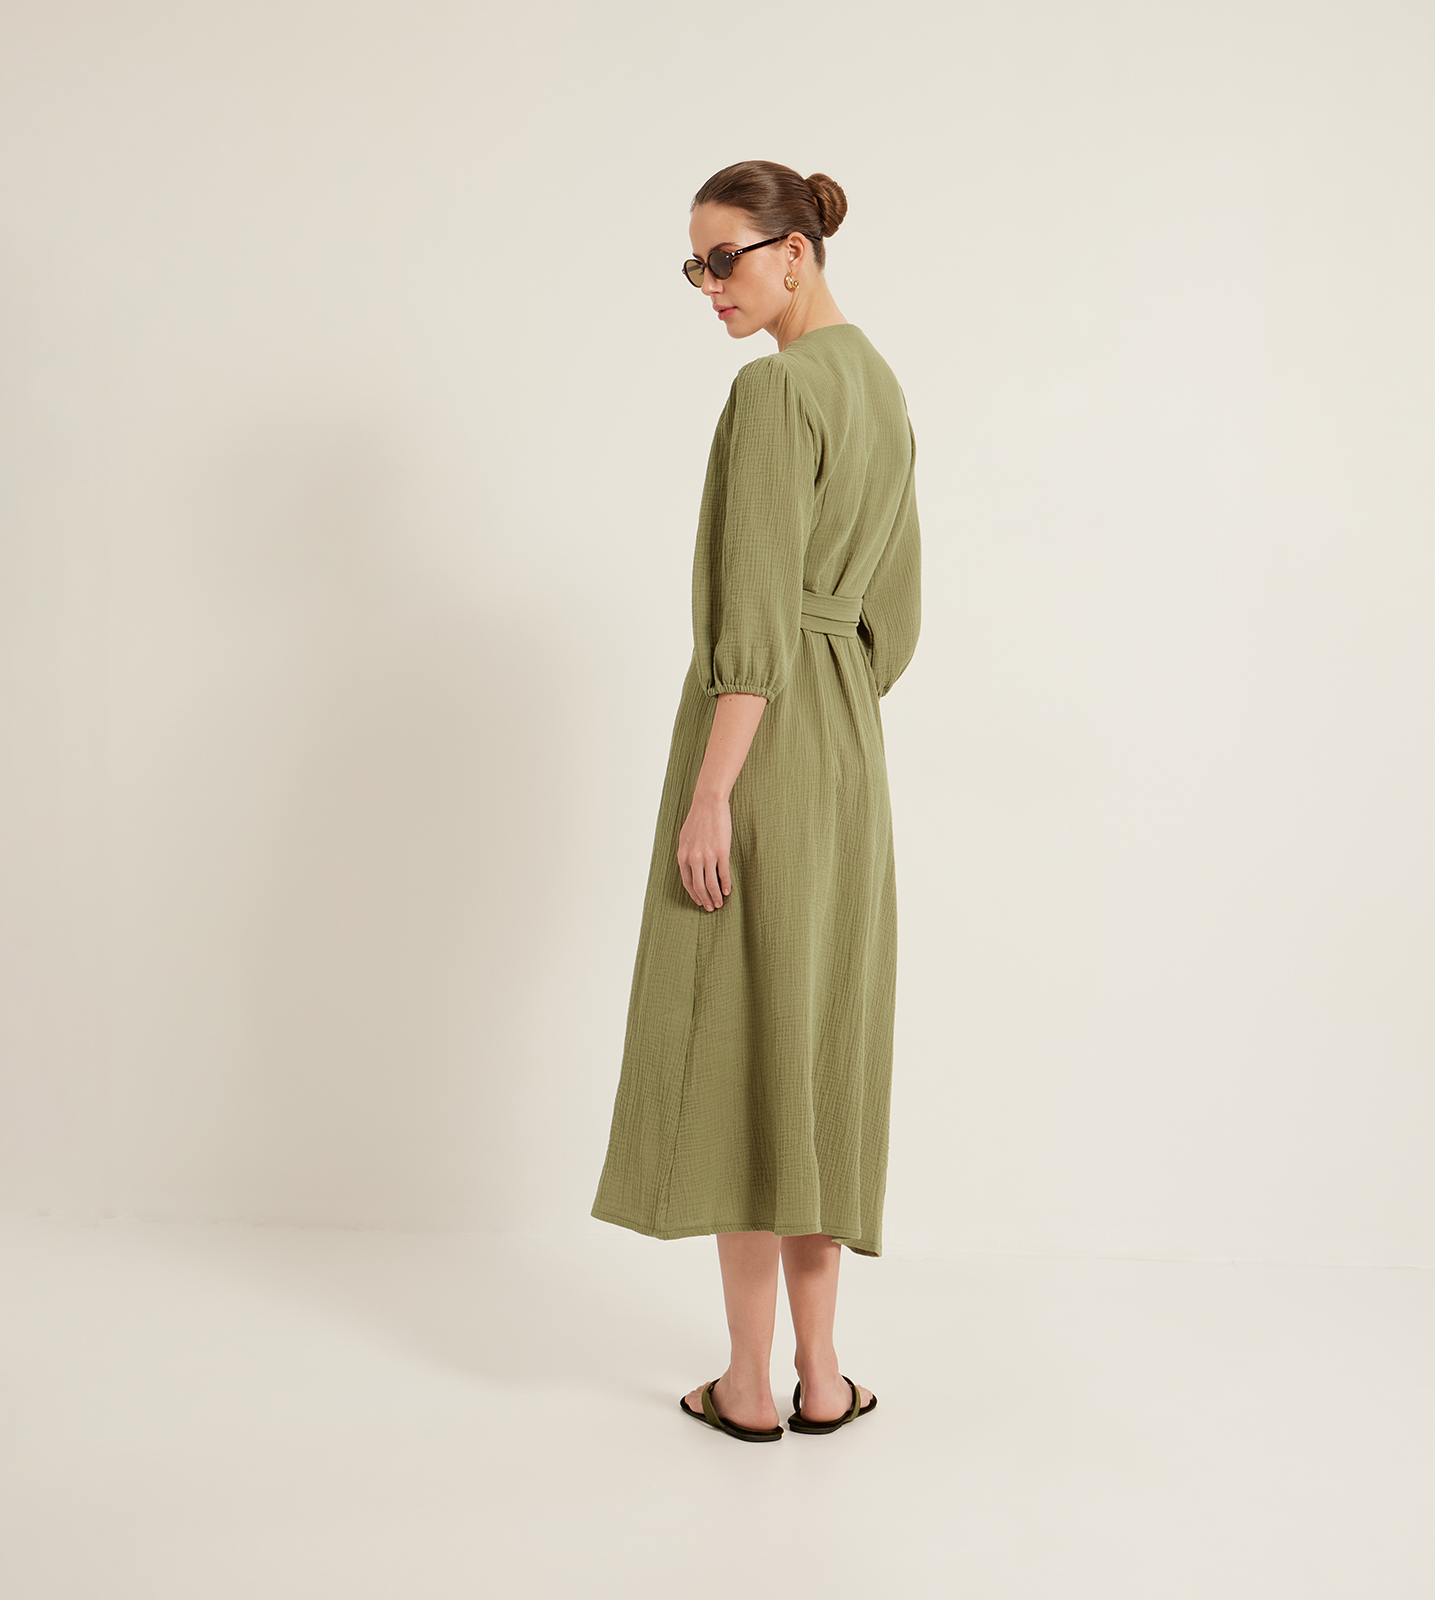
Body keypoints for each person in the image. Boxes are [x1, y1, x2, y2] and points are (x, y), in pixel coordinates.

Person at [591, 160, 922, 1443]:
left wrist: (714, 790)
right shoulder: (880, 388)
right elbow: (895, 620)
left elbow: (754, 617)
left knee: (742, 1048)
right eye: (694, 265)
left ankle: (744, 1383)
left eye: (723, 258)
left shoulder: (775, 391)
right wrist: (834, 701)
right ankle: (823, 1375)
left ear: (795, 252)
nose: (708, 287)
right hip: (847, 751)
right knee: (820, 1040)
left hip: (764, 734)